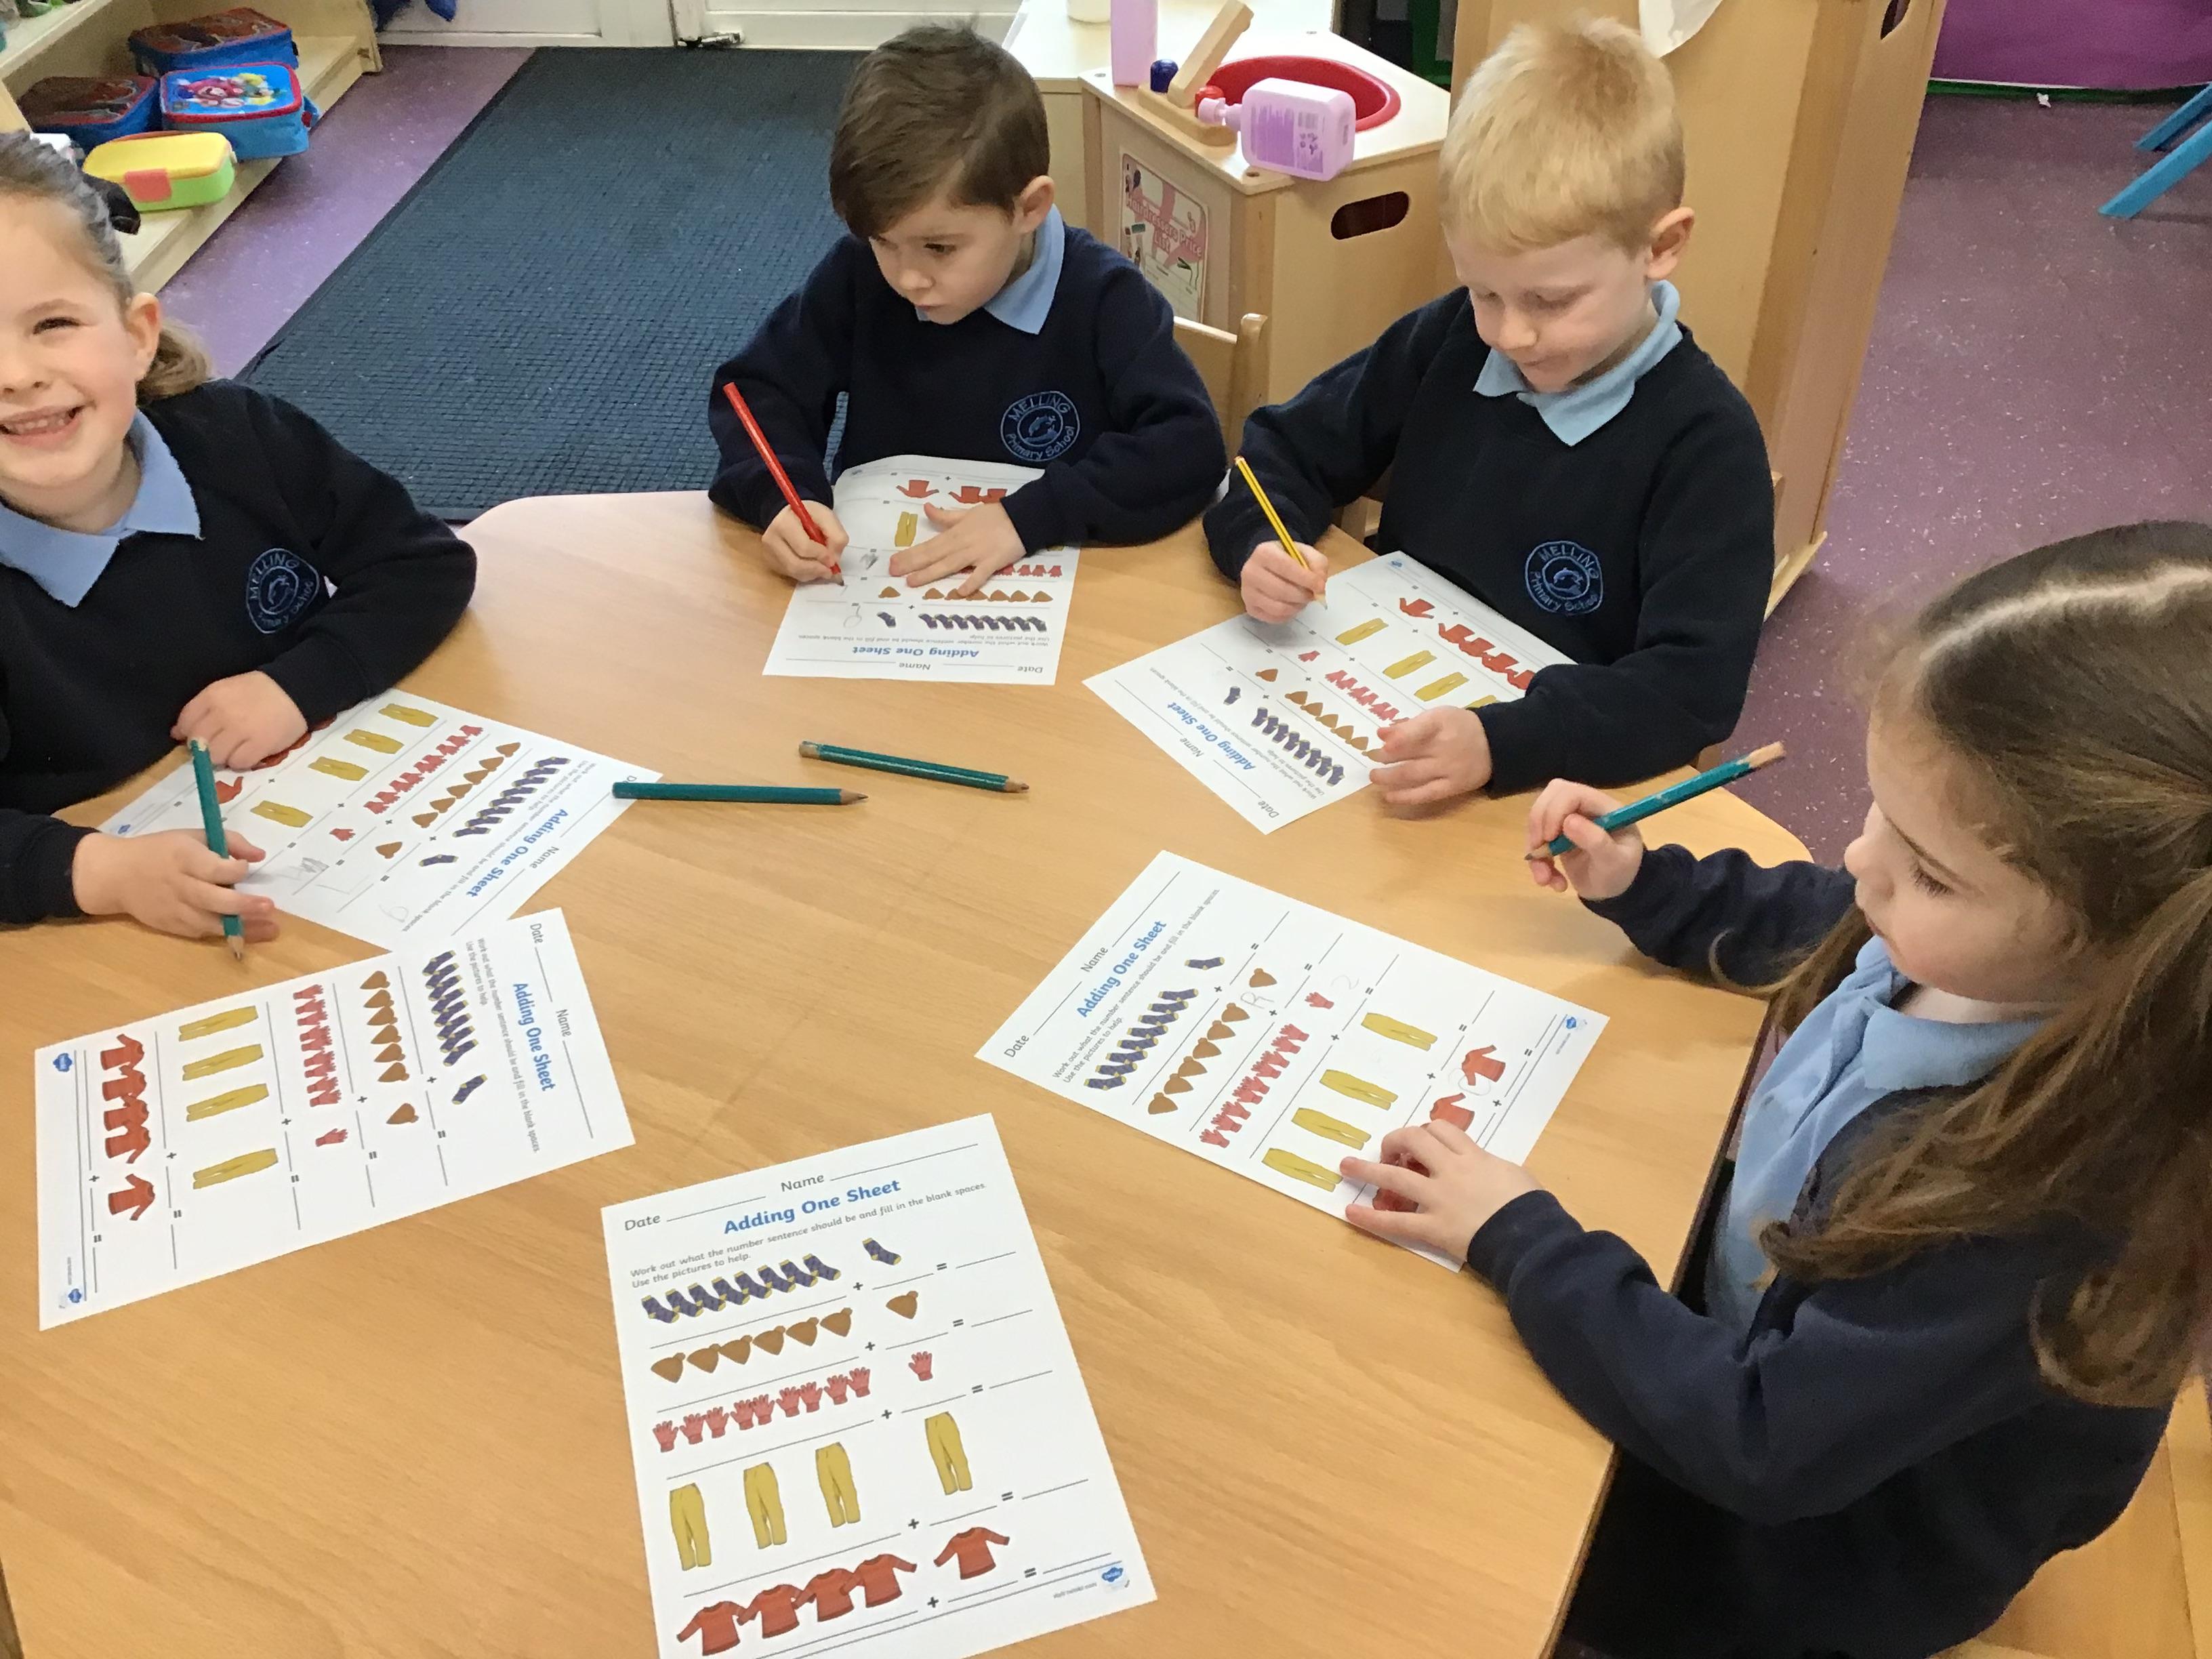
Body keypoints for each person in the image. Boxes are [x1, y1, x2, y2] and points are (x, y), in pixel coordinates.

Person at [1343, 520, 2212, 1656]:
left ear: (2129, 951)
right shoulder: (1962, 945)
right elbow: (1813, 919)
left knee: (1435, 1527)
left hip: (1805, 1562)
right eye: (1880, 813)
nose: (1860, 861)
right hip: (1776, 1345)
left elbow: (1761, 1441)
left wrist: (1520, 1238)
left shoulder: (2045, 1206)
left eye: (1927, 871)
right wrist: (1641, 882)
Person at [1206, 16, 1771, 803]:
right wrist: (1261, 542)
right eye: (1485, 292)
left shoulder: (1708, 446)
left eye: (1552, 300)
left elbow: (1690, 691)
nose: (1510, 335)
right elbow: (1284, 448)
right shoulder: (1453, 338)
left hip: (1544, 786)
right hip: (1376, 714)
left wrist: (1504, 742)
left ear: (1662, 247)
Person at [0, 134, 475, 937]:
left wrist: (300, 683)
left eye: (52, 323)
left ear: (137, 335)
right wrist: (100, 872)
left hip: (337, 853)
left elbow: (421, 565)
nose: (16, 375)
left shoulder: (236, 436)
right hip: (106, 935)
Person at [708, 24, 1225, 594]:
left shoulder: (1106, 298)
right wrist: (784, 497)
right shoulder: (858, 275)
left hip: (1060, 591)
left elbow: (1189, 447)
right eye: (883, 241)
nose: (908, 278)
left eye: (939, 248)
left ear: (1029, 208)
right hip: (877, 588)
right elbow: (757, 391)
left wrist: (1030, 517)